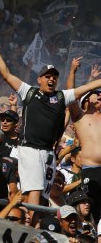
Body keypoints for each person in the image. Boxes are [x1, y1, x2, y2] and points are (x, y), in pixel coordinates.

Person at [0, 41, 101, 223]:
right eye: (47, 76)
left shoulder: (61, 96)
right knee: (34, 191)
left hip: (49, 153)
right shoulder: (29, 92)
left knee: (43, 196)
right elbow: (6, 74)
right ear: (39, 79)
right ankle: (31, 229)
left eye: (54, 77)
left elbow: (85, 89)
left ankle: (36, 226)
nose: (51, 79)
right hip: (30, 149)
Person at [66, 58, 101, 222]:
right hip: (90, 170)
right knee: (91, 212)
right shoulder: (80, 118)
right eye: (97, 93)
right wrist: (73, 71)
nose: (100, 96)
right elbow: (70, 95)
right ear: (87, 99)